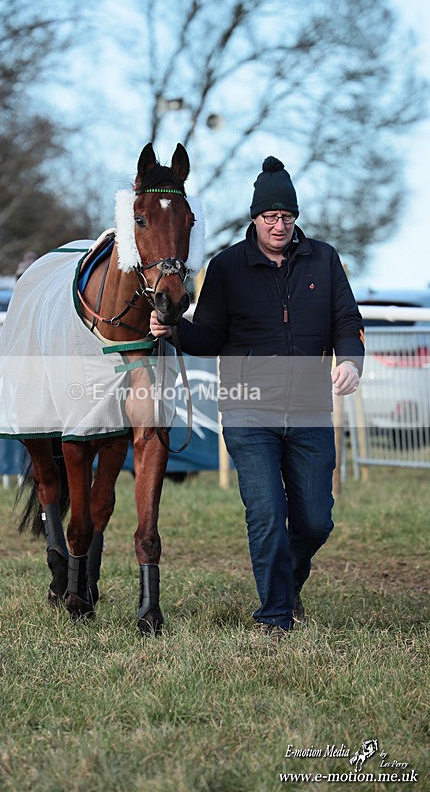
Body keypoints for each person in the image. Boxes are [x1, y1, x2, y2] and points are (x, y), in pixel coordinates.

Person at [150, 156, 365, 639]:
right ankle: (274, 616)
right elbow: (208, 335)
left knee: (314, 520)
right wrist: (174, 331)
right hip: (249, 412)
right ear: (255, 218)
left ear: (295, 217)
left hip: (310, 409)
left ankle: (287, 586)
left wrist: (350, 360)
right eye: (270, 216)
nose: (279, 225)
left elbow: (347, 322)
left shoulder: (324, 260)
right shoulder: (227, 267)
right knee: (267, 512)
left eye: (287, 216)